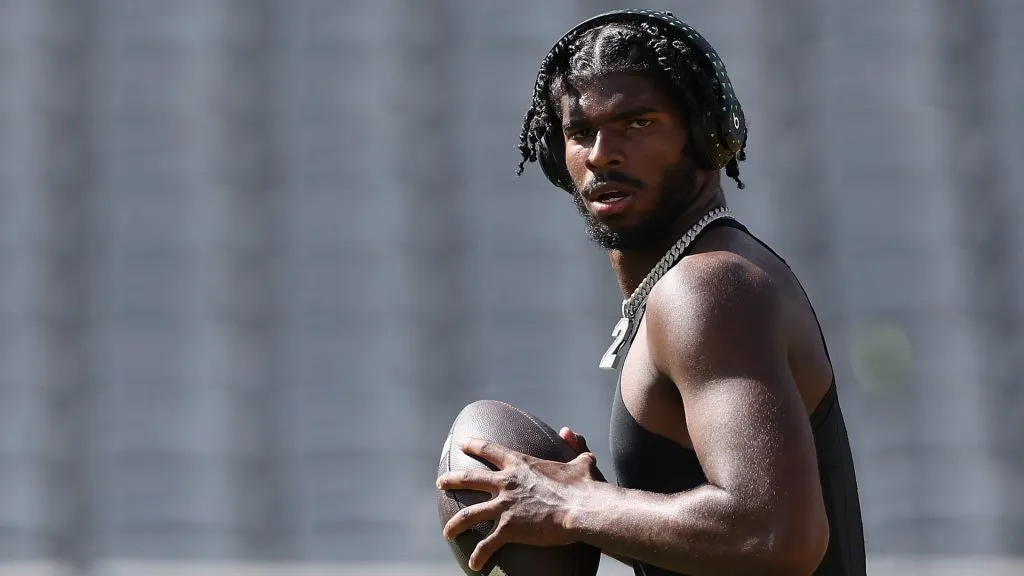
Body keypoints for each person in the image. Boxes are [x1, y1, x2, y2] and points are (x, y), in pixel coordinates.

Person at [437, 9, 866, 576]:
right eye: (579, 132)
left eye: (638, 123)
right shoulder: (688, 282)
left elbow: (776, 535)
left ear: (707, 137)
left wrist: (574, 504)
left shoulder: (708, 287)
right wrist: (598, 503)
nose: (601, 154)